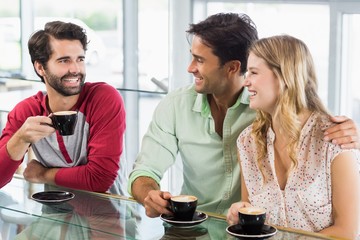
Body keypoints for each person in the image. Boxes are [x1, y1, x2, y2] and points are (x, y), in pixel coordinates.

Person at [128, 13, 360, 217]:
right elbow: (144, 170)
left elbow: (309, 121)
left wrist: (350, 133)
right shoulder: (175, 105)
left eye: (200, 60)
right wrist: (149, 195)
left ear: (232, 67)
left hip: (248, 230)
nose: (190, 68)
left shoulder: (268, 106)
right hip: (193, 228)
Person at [226, 35, 360, 238]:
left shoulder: (335, 140)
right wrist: (240, 214)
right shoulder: (247, 142)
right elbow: (252, 214)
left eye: (253, 72)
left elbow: (346, 232)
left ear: (284, 76)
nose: (246, 82)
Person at [0, 21, 126, 194]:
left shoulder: (103, 98)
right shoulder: (27, 111)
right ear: (40, 67)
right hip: (53, 212)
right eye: (64, 60)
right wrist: (20, 139)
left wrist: (43, 174)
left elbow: (99, 179)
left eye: (80, 59)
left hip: (107, 214)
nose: (75, 69)